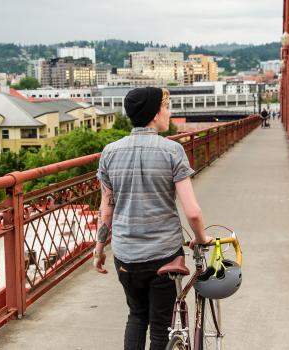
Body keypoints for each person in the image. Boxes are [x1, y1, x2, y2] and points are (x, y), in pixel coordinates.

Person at [93, 87, 212, 350]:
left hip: (125, 255)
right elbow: (192, 211)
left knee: (136, 316)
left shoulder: (110, 152)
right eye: (166, 107)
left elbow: (107, 209)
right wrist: (203, 238)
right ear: (155, 113)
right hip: (163, 254)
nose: (169, 113)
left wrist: (99, 250)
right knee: (160, 327)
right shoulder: (172, 151)